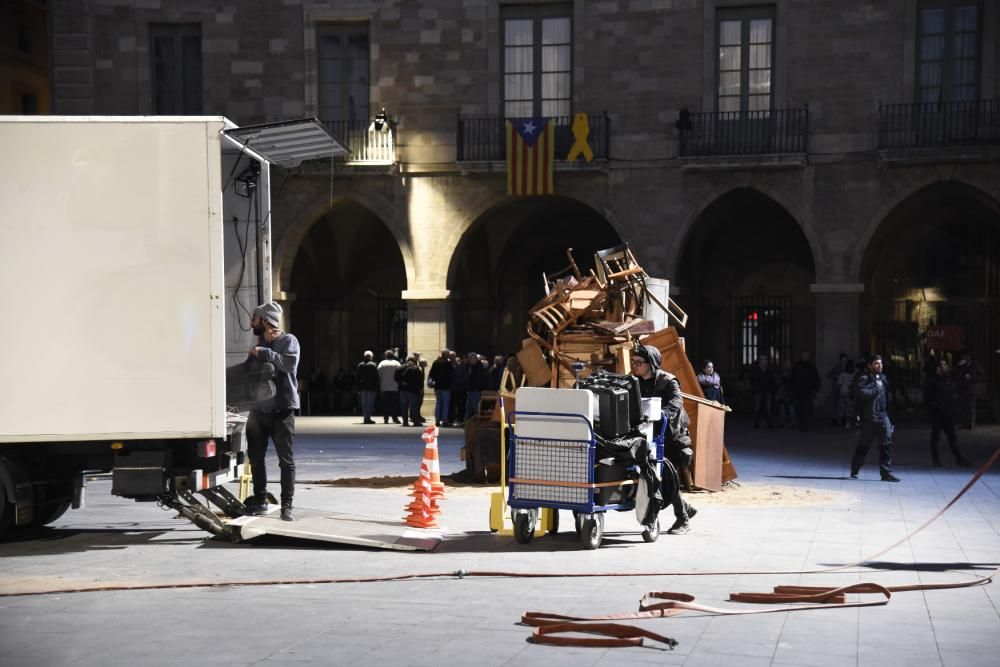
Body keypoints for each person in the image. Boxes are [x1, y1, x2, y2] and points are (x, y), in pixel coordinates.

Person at [631, 344, 696, 535]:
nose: (634, 365)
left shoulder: (668, 381)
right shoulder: (635, 381)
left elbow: (676, 402)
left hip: (673, 438)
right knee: (658, 478)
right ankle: (686, 509)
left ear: (650, 364)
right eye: (633, 361)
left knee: (667, 478)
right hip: (651, 435)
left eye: (638, 362)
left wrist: (660, 414)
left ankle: (683, 520)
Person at [244, 301, 301, 521]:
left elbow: (288, 366)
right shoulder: (259, 345)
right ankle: (260, 501)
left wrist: (264, 353)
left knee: (285, 460)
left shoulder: (288, 341)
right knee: (256, 458)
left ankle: (287, 506)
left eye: (255, 318)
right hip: (258, 411)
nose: (251, 322)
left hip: (282, 410)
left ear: (266, 321)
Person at [850, 354, 900, 482]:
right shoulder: (863, 378)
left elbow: (887, 399)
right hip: (869, 418)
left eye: (881, 363)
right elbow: (862, 394)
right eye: (877, 363)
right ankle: (855, 469)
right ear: (870, 365)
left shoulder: (882, 378)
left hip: (883, 416)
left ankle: (886, 473)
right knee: (864, 445)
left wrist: (891, 418)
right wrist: (876, 388)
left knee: (886, 445)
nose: (880, 365)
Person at [925, 358, 971, 467]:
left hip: (947, 414)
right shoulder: (932, 381)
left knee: (952, 437)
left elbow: (953, 390)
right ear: (938, 368)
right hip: (937, 414)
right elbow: (929, 398)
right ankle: (936, 461)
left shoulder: (947, 379)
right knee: (935, 437)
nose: (946, 366)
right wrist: (936, 408)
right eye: (944, 365)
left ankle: (959, 459)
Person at [790, 351, 821, 431]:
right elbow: (792, 378)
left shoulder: (811, 366)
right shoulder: (797, 366)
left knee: (806, 409)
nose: (805, 356)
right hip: (797, 391)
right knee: (798, 408)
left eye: (807, 355)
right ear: (802, 356)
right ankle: (800, 424)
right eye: (804, 355)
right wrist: (791, 389)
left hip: (807, 391)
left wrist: (815, 389)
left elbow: (816, 378)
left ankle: (805, 425)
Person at [954, 353, 985, 430]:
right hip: (963, 389)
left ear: (969, 358)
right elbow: (953, 372)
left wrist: (971, 378)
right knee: (963, 407)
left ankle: (972, 424)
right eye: (962, 358)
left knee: (971, 407)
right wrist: (958, 365)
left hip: (972, 389)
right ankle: (965, 423)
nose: (963, 359)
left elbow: (982, 376)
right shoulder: (962, 366)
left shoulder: (975, 365)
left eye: (965, 358)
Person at [395, 354, 425, 426]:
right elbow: (420, 380)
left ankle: (405, 422)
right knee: (414, 406)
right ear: (414, 360)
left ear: (406, 360)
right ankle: (416, 421)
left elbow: (395, 377)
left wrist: (401, 382)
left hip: (402, 390)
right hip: (413, 390)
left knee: (404, 406)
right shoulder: (416, 368)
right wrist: (420, 388)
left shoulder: (400, 367)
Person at [429, 349, 454, 427]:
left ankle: (437, 420)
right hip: (446, 387)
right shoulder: (448, 363)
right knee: (445, 404)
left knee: (438, 403)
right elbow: (451, 375)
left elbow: (431, 374)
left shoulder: (436, 362)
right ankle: (445, 421)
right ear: (446, 355)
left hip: (437, 386)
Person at [750, 355, 776, 429]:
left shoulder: (769, 369)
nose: (764, 361)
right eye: (763, 359)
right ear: (760, 360)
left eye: (765, 359)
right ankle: (756, 424)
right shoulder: (755, 369)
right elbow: (752, 379)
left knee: (768, 408)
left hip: (767, 391)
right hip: (758, 391)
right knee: (757, 408)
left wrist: (772, 389)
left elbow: (772, 379)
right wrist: (755, 387)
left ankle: (769, 424)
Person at [376, 349, 401, 424]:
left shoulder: (382, 363)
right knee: (395, 403)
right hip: (395, 387)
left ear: (385, 356)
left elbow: (378, 375)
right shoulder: (397, 363)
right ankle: (395, 418)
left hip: (384, 387)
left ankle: (386, 418)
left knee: (385, 403)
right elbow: (400, 374)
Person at [355, 351, 379, 424]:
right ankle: (368, 418)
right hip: (371, 387)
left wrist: (358, 387)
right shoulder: (373, 365)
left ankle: (365, 418)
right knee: (370, 403)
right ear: (370, 357)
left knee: (364, 403)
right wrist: (377, 387)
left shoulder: (360, 365)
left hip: (363, 387)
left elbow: (358, 377)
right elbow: (376, 377)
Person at [827, 352, 848, 425]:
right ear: (840, 360)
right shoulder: (837, 367)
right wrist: (836, 377)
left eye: (845, 359)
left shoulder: (848, 368)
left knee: (844, 404)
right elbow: (829, 375)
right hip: (836, 387)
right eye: (843, 359)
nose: (844, 361)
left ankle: (843, 420)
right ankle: (834, 419)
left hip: (845, 388)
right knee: (835, 403)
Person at [835, 357, 856, 428]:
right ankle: (847, 423)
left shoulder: (843, 374)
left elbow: (839, 384)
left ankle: (840, 423)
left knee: (841, 408)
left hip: (842, 392)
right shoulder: (854, 374)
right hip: (850, 393)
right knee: (849, 409)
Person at [775, 358, 795, 428]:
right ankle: (783, 422)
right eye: (786, 363)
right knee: (783, 408)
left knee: (790, 408)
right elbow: (777, 381)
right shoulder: (781, 371)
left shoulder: (792, 371)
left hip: (789, 392)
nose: (787, 364)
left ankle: (792, 423)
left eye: (789, 363)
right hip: (783, 392)